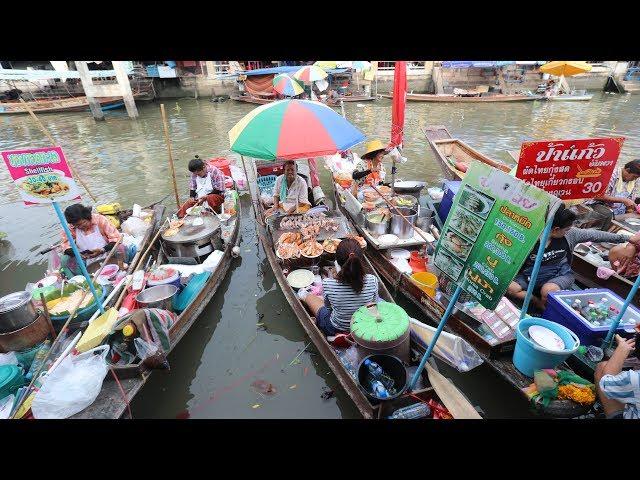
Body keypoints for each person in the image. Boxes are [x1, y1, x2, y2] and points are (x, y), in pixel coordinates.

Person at [507, 205, 633, 311]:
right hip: (528, 275)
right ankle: (536, 302)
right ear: (556, 229)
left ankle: (548, 311)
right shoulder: (529, 238)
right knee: (511, 288)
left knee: (548, 292)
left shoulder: (571, 234)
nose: (569, 231)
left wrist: (627, 239)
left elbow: (595, 235)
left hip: (558, 274)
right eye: (566, 229)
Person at [298, 238, 379, 337]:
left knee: (310, 297)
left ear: (337, 262)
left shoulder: (328, 284)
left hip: (335, 328)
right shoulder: (373, 280)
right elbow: (373, 304)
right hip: (362, 327)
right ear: (360, 259)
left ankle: (302, 293)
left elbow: (328, 307)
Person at [59, 204, 124, 276]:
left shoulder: (100, 220)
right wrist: (78, 254)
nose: (80, 227)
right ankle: (83, 277)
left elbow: (116, 238)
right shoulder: (71, 228)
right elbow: (65, 246)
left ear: (88, 217)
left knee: (120, 247)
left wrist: (102, 250)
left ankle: (122, 268)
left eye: (82, 223)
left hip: (107, 252)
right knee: (64, 259)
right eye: (77, 225)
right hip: (85, 258)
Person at [586, 160, 640, 230]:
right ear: (627, 170)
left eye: (636, 178)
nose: (634, 179)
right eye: (634, 177)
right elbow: (598, 196)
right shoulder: (611, 175)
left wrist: (632, 208)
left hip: (618, 211)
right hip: (599, 206)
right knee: (607, 214)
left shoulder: (634, 180)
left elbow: (630, 200)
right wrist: (623, 200)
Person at [595, 334, 639, 419]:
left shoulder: (636, 379)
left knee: (602, 368)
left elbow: (606, 383)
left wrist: (621, 350)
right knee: (603, 366)